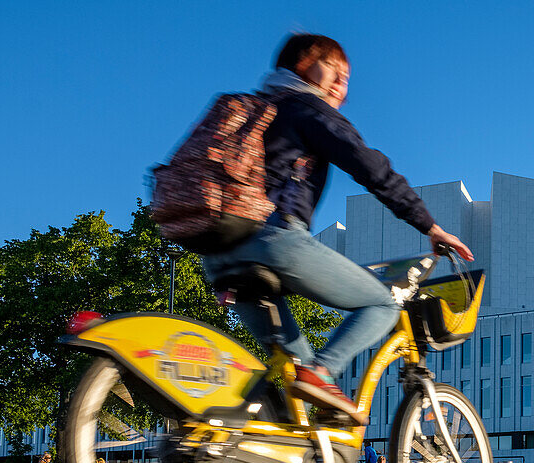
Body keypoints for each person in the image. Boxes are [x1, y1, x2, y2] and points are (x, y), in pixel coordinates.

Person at [201, 34, 473, 425]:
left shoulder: (254, 110)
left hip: (219, 254)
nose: (341, 86)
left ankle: (266, 456)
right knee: (381, 302)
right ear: (304, 64)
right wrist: (429, 225)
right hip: (273, 241)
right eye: (335, 71)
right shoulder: (304, 107)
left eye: (347, 79)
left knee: (297, 382)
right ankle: (323, 372)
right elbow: (370, 167)